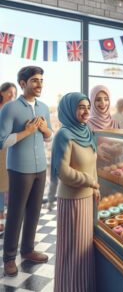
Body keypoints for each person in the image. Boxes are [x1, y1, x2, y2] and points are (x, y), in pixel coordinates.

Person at [0, 66, 52, 277]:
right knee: (15, 213)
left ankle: (28, 250)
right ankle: (9, 259)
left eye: (41, 80)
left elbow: (48, 136)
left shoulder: (44, 107)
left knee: (34, 211)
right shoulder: (10, 109)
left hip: (41, 167)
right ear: (23, 84)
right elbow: (3, 141)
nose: (39, 84)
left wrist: (42, 129)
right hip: (19, 169)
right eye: (34, 80)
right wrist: (27, 131)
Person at [51, 92, 99, 292]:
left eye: (87, 106)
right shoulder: (63, 134)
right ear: (70, 110)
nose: (86, 110)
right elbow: (63, 172)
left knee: (83, 251)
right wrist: (90, 182)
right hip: (71, 201)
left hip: (87, 199)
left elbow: (92, 164)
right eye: (81, 107)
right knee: (73, 252)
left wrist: (97, 186)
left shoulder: (87, 131)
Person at [88, 85, 123, 166]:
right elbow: (78, 149)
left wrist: (120, 149)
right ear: (92, 101)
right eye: (98, 100)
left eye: (106, 99)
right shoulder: (86, 124)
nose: (103, 103)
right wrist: (94, 150)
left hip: (115, 168)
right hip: (95, 170)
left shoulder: (115, 122)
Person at [0, 82, 17, 233]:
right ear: (2, 93)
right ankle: (0, 217)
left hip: (11, 151)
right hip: (1, 151)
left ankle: (9, 217)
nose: (12, 95)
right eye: (9, 92)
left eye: (14, 92)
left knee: (10, 184)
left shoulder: (13, 110)